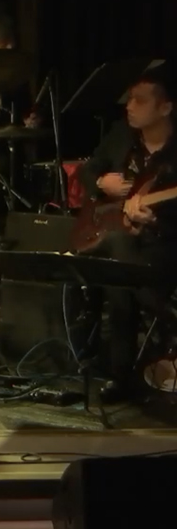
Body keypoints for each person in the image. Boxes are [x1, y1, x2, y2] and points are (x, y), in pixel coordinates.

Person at [76, 68, 176, 403]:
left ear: (165, 108)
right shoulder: (121, 136)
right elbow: (88, 169)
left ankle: (121, 376)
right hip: (119, 236)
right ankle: (157, 328)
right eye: (129, 99)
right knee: (119, 265)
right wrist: (100, 182)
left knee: (117, 267)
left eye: (140, 100)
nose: (129, 106)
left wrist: (154, 221)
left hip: (164, 245)